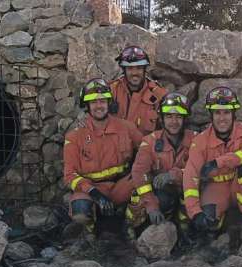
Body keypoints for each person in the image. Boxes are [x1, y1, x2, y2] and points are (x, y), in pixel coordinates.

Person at [62, 78, 143, 239]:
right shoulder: (75, 136)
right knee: (80, 209)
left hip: (120, 185)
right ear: (87, 106)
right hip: (91, 188)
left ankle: (128, 227)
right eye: (93, 102)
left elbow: (146, 152)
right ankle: (91, 232)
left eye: (102, 101)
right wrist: (94, 193)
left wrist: (139, 170)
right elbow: (69, 175)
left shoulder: (126, 127)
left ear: (109, 103)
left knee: (144, 185)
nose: (99, 106)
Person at [183, 87, 242, 247]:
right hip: (217, 187)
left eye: (226, 112)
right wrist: (195, 212)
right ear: (211, 115)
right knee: (209, 225)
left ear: (233, 114)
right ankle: (225, 223)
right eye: (217, 113)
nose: (222, 118)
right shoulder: (201, 141)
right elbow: (190, 176)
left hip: (240, 185)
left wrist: (219, 162)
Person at [127, 92, 196, 234]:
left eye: (178, 117)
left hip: (186, 191)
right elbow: (139, 173)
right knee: (143, 198)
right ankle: (132, 230)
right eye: (169, 117)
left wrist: (172, 175)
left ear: (185, 119)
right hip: (162, 193)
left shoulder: (196, 140)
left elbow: (198, 170)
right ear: (162, 119)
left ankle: (185, 229)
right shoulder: (150, 141)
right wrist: (152, 206)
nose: (174, 122)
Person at [109, 45, 168, 136]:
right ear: (123, 70)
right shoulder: (112, 90)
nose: (134, 73)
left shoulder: (158, 95)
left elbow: (167, 131)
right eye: (130, 68)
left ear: (145, 70)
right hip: (114, 147)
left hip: (144, 148)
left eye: (139, 68)